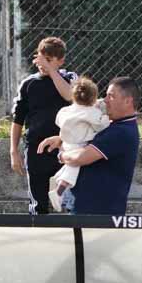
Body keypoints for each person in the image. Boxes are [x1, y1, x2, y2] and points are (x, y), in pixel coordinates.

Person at [39, 78, 141, 217]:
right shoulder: (112, 125)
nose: (105, 100)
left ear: (128, 101)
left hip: (97, 213)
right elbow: (83, 135)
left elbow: (80, 158)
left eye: (111, 96)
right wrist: (62, 139)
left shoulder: (121, 131)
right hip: (87, 209)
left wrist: (61, 155)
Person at [7, 36, 77, 215]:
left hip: (65, 148)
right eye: (40, 57)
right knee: (39, 203)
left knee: (68, 201)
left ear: (60, 61)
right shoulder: (29, 84)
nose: (43, 63)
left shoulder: (69, 78)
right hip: (36, 149)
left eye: (49, 59)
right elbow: (18, 120)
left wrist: (52, 71)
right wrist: (14, 151)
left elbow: (70, 96)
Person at [47, 77, 111, 212]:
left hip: (66, 143)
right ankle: (58, 191)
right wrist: (107, 119)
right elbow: (101, 125)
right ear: (93, 98)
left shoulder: (66, 110)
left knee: (68, 166)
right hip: (79, 145)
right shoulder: (92, 113)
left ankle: (58, 178)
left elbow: (58, 121)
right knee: (74, 166)